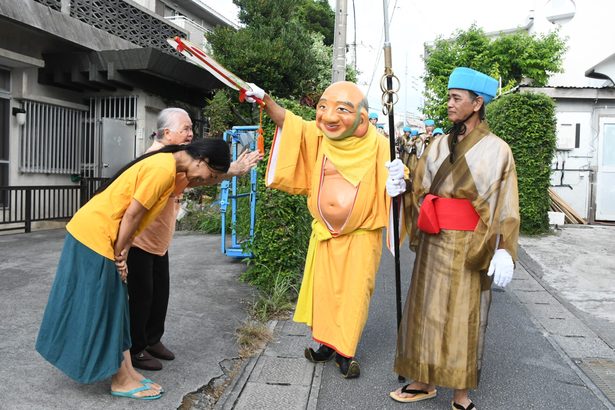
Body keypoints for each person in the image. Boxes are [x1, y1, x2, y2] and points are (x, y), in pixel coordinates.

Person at [36, 138, 231, 400]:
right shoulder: (162, 169)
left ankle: (126, 372)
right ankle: (120, 379)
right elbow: (132, 214)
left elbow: (134, 216)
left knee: (116, 307)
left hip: (99, 234)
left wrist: (123, 251)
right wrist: (121, 255)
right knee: (106, 309)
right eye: (213, 174)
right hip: (95, 236)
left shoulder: (169, 166)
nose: (210, 180)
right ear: (202, 160)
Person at [244, 81, 399, 379]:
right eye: (323, 107)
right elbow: (289, 123)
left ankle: (346, 351)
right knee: (325, 293)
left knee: (353, 295)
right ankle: (326, 345)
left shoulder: (380, 144)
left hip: (361, 235)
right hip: (324, 234)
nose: (329, 116)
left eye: (342, 109)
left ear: (362, 119)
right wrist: (266, 99)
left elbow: (400, 177)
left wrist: (398, 181)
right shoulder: (321, 137)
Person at [386, 67, 519, 410]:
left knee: (464, 315)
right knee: (425, 311)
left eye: (456, 98)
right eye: (449, 97)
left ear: (477, 104)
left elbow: (504, 202)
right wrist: (400, 190)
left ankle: (460, 393)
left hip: (471, 242)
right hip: (433, 239)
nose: (449, 104)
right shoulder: (438, 144)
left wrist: (503, 248)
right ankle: (422, 380)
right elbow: (420, 188)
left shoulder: (497, 150)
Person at [128, 108, 262, 371]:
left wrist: (233, 170)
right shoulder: (156, 161)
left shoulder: (174, 159)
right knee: (141, 298)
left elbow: (193, 179)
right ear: (167, 133)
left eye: (191, 128)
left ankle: (152, 340)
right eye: (185, 129)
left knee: (159, 294)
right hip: (139, 242)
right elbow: (134, 212)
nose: (191, 134)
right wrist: (232, 170)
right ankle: (135, 349)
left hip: (158, 242)